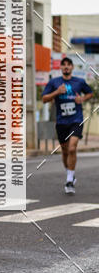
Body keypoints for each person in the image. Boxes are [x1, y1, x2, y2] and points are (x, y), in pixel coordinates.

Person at [42, 56, 92, 194]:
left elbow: (90, 93)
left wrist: (82, 98)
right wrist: (57, 92)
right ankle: (70, 173)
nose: (66, 67)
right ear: (61, 68)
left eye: (68, 65)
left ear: (72, 68)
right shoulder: (54, 82)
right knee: (64, 151)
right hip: (61, 122)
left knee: (72, 148)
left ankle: (69, 181)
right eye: (63, 65)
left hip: (76, 120)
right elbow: (44, 99)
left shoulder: (79, 82)